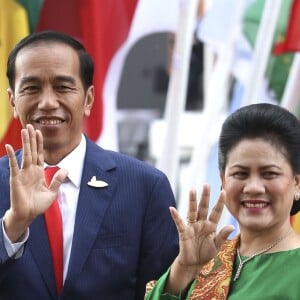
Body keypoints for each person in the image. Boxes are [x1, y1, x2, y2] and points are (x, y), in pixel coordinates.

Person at [0, 30, 179, 300]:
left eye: (63, 87)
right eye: (32, 88)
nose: (48, 102)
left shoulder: (144, 187)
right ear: (13, 101)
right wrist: (12, 228)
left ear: (88, 99)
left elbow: (162, 290)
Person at [145, 103, 300, 299]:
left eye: (269, 173)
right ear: (223, 181)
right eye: (240, 173)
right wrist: (183, 269)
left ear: (297, 183)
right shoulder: (206, 258)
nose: (253, 187)